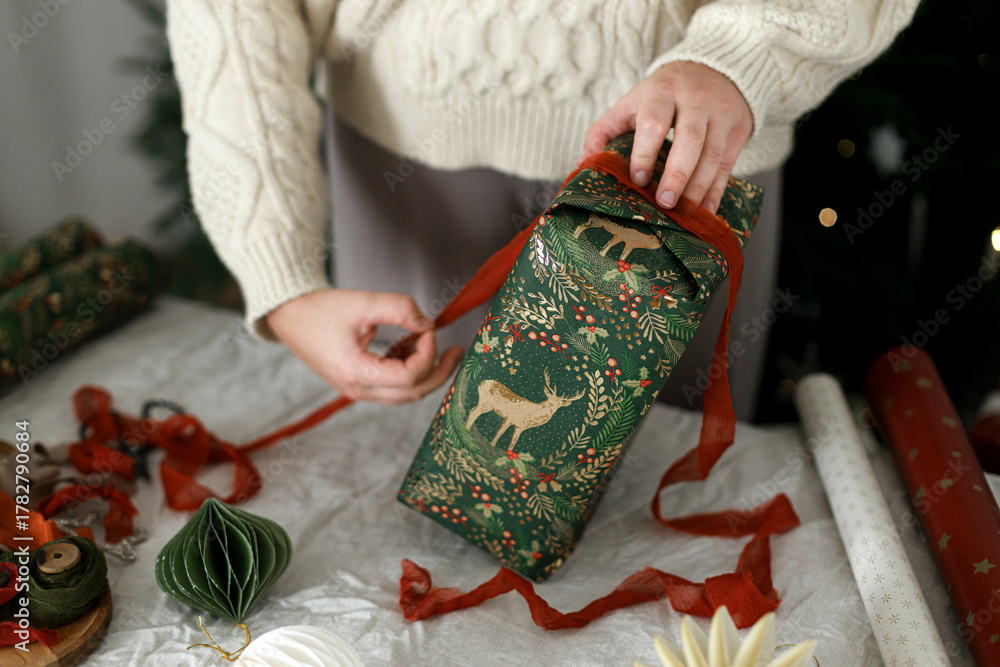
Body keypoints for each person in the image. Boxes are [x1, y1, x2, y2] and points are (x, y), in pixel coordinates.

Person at [166, 0, 918, 416]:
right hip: (404, 169)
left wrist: (746, 57)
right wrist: (283, 275)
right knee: (408, 520)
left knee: (660, 527)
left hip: (691, 155)